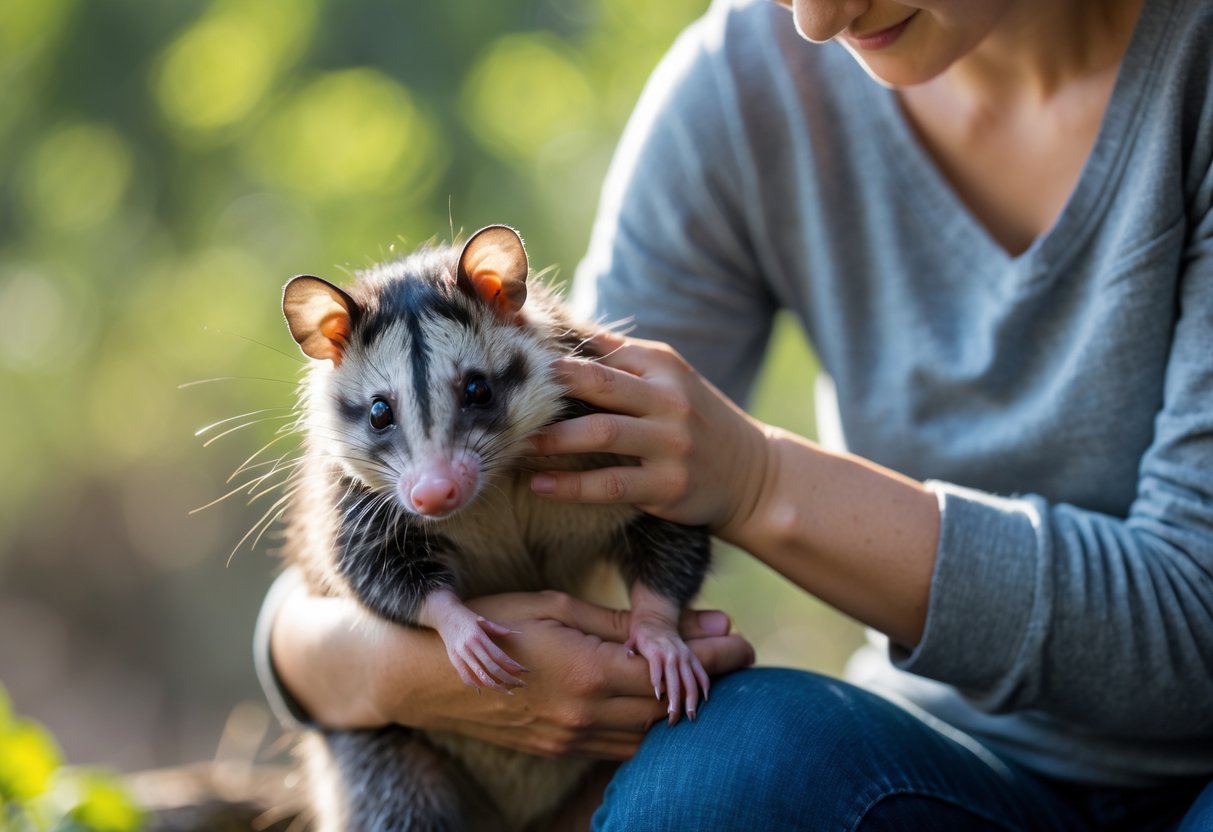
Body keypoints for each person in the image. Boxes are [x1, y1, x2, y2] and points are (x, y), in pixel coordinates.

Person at [255, 0, 1213, 826]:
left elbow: (1191, 630)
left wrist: (754, 482)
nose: (815, 20)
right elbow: (310, 620)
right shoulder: (747, 82)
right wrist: (395, 673)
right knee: (722, 772)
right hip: (944, 753)